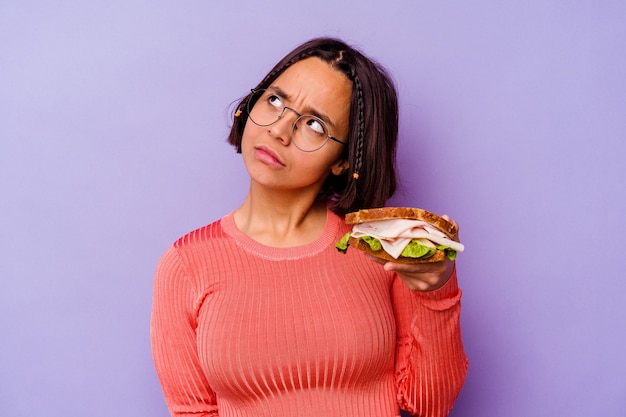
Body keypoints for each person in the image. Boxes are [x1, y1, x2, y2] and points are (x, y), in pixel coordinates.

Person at [150, 37, 468, 417]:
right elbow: (194, 412)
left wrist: (437, 293)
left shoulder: (380, 248)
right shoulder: (186, 265)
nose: (279, 130)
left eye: (314, 125)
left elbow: (429, 405)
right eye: (274, 100)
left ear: (341, 160)